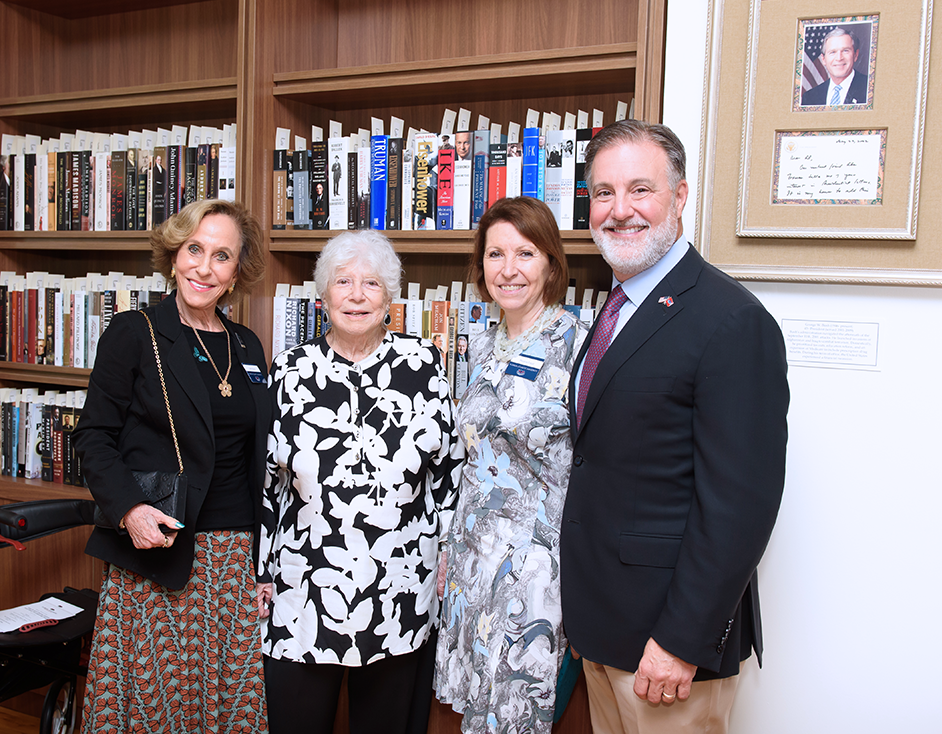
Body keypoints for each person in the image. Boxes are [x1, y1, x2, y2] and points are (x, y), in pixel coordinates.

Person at [560, 120, 789, 734]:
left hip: (667, 649)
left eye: (641, 189)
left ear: (680, 197)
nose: (619, 210)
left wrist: (681, 641)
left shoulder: (731, 321)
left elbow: (740, 505)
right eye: (603, 192)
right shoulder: (616, 307)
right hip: (604, 630)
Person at [73, 199, 270, 732]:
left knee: (226, 706)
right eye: (195, 249)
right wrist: (129, 510)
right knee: (154, 707)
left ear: (236, 271)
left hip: (233, 561)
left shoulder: (247, 345)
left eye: (221, 255)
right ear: (175, 254)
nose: (204, 268)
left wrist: (262, 564)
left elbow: (256, 456)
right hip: (159, 547)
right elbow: (92, 437)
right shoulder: (134, 332)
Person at [259, 229, 463, 734]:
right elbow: (265, 481)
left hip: (399, 585)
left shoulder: (423, 364)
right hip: (303, 586)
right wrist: (262, 569)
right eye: (343, 282)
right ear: (322, 296)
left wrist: (445, 556)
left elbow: (450, 471)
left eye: (371, 283)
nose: (356, 295)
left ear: (389, 297)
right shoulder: (288, 369)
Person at [435, 196, 587, 734]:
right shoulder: (478, 345)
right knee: (477, 713)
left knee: (521, 714)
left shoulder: (582, 344)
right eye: (495, 254)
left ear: (550, 262)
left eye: (525, 253)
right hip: (472, 561)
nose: (509, 269)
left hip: (540, 573)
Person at [801, 27, 868, 106]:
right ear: (823, 59)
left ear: (855, 55)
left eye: (845, 50)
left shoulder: (870, 88)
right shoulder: (809, 97)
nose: (839, 58)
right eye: (832, 52)